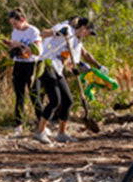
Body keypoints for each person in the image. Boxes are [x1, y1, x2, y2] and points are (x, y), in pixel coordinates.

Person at [33, 16, 100, 145]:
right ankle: (39, 132)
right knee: (55, 100)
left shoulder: (76, 41)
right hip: (46, 64)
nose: (88, 36)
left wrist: (78, 67)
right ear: (83, 28)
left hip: (57, 69)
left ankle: (61, 134)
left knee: (68, 101)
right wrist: (57, 33)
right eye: (88, 32)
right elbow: (42, 33)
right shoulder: (66, 29)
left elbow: (69, 61)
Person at [4, 8, 42, 134]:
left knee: (34, 94)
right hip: (19, 63)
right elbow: (17, 46)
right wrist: (11, 45)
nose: (14, 27)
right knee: (19, 95)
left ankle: (42, 123)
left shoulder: (33, 31)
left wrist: (20, 45)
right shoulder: (15, 32)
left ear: (22, 20)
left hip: (31, 64)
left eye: (15, 23)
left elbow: (37, 50)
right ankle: (19, 124)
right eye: (12, 24)